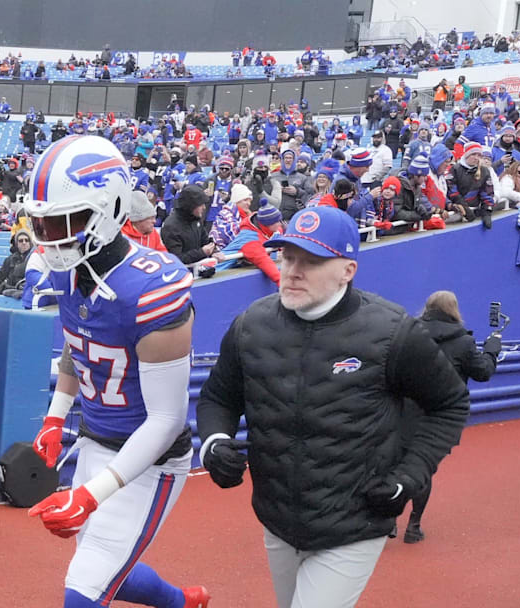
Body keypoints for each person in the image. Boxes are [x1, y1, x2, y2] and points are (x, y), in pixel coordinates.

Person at [196, 206, 470, 608]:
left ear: (347, 270)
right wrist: (214, 442)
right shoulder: (250, 324)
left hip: (356, 522)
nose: (293, 270)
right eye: (288, 257)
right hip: (277, 519)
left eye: (312, 261)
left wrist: (408, 477)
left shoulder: (394, 332)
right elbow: (219, 397)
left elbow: (449, 404)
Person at [23, 136, 210, 608]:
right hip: (95, 439)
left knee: (85, 587)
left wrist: (89, 495)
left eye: (63, 221)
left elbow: (167, 420)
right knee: (105, 564)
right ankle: (181, 602)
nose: (49, 235)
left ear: (110, 209)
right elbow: (77, 346)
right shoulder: (69, 270)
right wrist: (54, 415)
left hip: (150, 457)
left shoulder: (152, 287)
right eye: (41, 221)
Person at [394, 290, 501, 544]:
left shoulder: (410, 332)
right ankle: (413, 525)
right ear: (454, 309)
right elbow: (483, 372)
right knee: (423, 470)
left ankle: (388, 520)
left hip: (405, 410)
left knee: (395, 463)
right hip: (438, 415)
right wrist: (492, 349)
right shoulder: (463, 342)